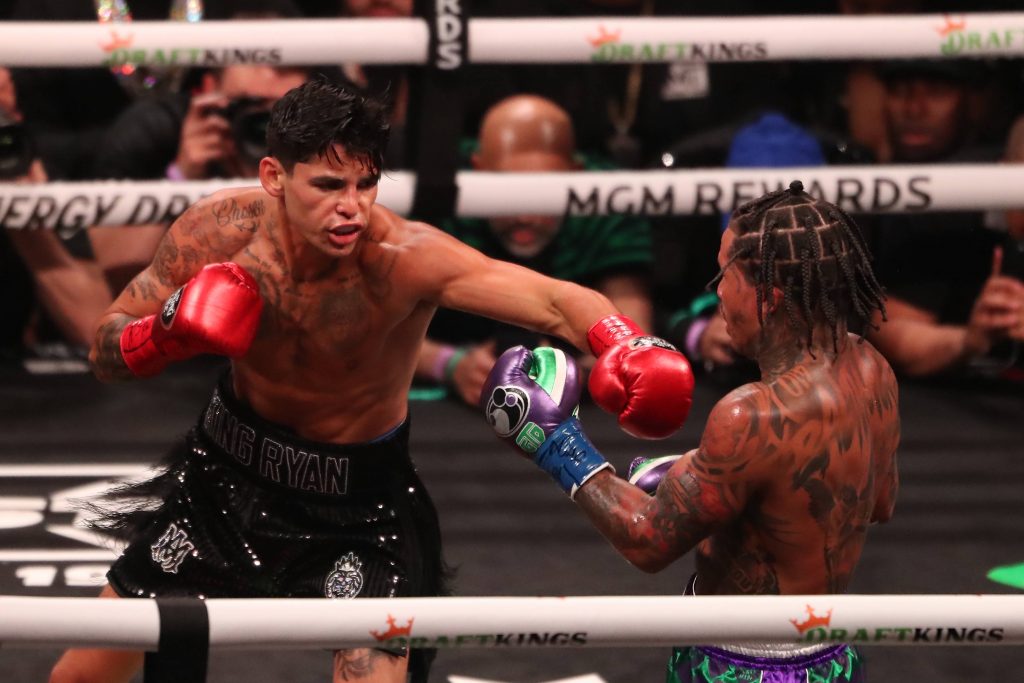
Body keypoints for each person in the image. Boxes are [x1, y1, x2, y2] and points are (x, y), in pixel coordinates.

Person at [48, 78, 694, 683]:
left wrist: (625, 344)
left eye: (366, 183)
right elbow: (106, 346)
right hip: (223, 481)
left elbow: (556, 301)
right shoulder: (217, 232)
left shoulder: (403, 260)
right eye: (328, 185)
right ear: (273, 176)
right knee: (76, 675)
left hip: (358, 509)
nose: (351, 207)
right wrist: (161, 330)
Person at [481, 181, 899, 682]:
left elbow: (647, 543)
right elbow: (877, 503)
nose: (716, 290)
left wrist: (553, 441)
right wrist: (709, 478)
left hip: (739, 665)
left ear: (768, 297)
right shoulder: (873, 368)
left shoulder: (751, 416)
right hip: (831, 654)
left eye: (726, 273)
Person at [417, 94, 655, 406]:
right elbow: (373, 326)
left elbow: (632, 341)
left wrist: (570, 374)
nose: (524, 215)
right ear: (477, 168)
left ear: (576, 174)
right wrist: (450, 364)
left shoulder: (609, 198)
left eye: (541, 192)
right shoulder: (438, 196)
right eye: (509, 192)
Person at [865, 60, 1024, 377]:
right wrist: (968, 339)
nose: (915, 108)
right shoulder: (949, 203)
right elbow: (893, 329)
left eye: (936, 92)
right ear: (1005, 171)